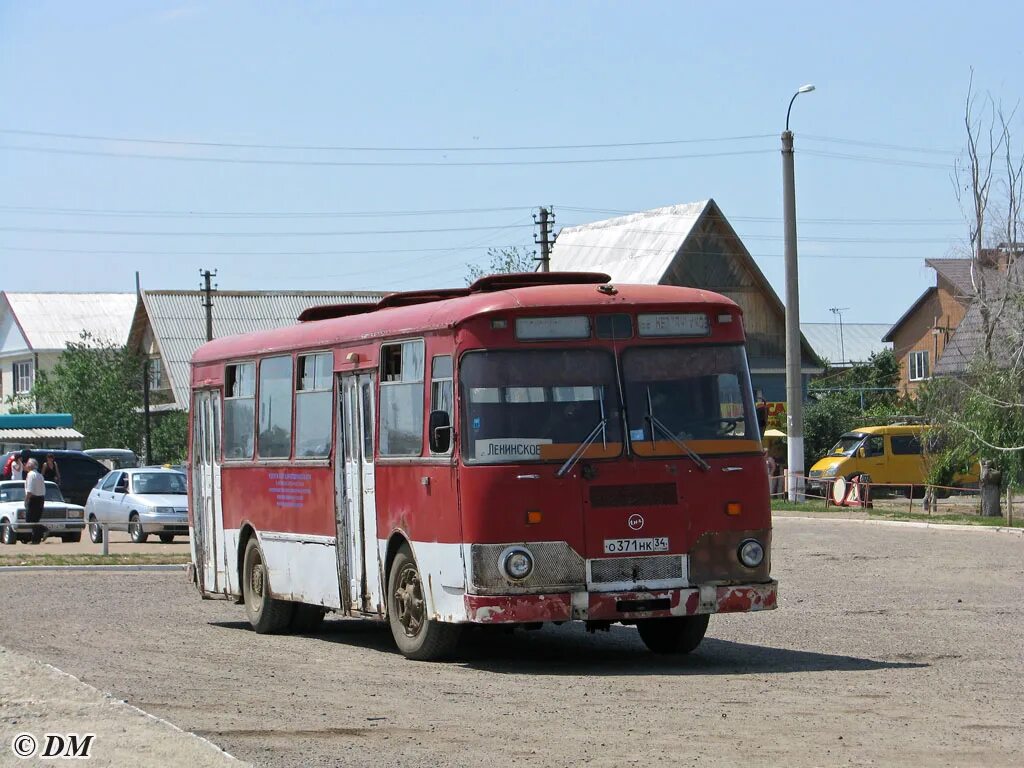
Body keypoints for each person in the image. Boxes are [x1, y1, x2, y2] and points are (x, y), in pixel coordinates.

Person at [24, 458, 46, 545]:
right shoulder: (40, 475)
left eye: (27, 464)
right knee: (35, 520)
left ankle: (44, 529)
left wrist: (26, 500)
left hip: (33, 499)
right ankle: (35, 539)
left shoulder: (30, 474)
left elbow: (30, 490)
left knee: (30, 520)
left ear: (31, 465)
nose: (26, 465)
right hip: (41, 498)